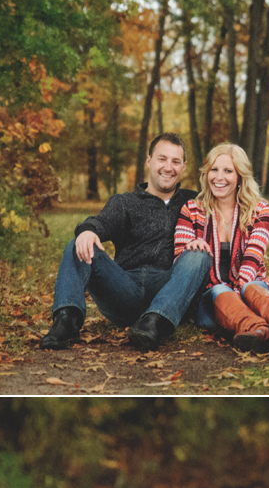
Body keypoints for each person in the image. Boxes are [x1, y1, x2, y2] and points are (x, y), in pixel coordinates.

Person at [38, 133, 211, 353]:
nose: (168, 167)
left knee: (200, 255)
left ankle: (156, 322)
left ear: (184, 167)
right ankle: (66, 321)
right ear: (149, 161)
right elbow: (99, 222)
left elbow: (231, 203)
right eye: (162, 159)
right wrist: (89, 231)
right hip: (124, 288)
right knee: (77, 244)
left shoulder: (195, 201)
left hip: (170, 285)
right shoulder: (125, 202)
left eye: (175, 162)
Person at [175, 141, 269, 353]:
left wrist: (240, 291)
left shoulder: (259, 209)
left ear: (239, 177)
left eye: (228, 171)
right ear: (206, 174)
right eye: (214, 170)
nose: (219, 177)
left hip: (252, 290)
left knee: (251, 286)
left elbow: (253, 257)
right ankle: (256, 329)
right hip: (212, 300)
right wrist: (192, 247)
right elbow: (180, 261)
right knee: (219, 289)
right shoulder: (191, 210)